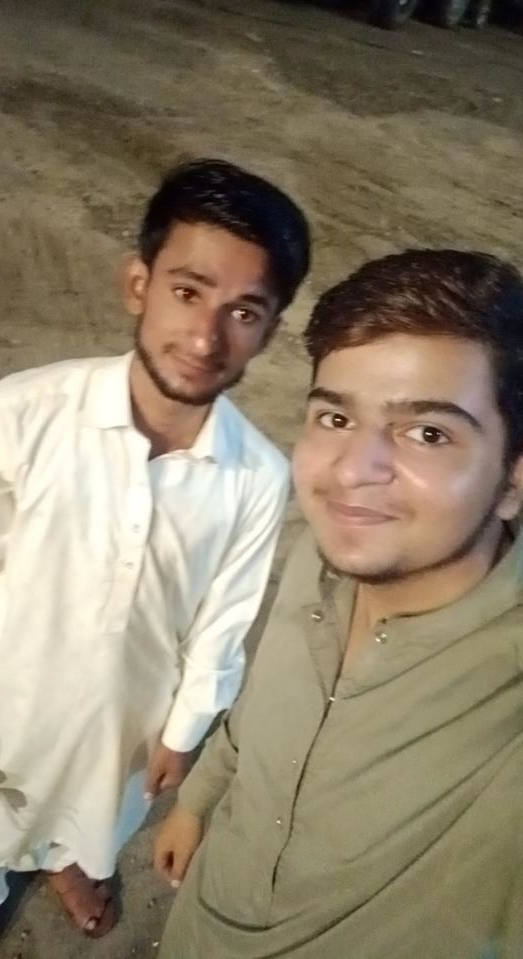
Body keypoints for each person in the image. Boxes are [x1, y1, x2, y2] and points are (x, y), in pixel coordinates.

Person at [0, 158, 311, 959]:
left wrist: (185, 728)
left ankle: (72, 861)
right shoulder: (20, 414)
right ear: (138, 285)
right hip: (8, 702)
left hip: (129, 721)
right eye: (187, 291)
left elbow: (224, 621)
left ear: (269, 329)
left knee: (103, 813)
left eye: (243, 311)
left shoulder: (258, 475)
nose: (206, 336)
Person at [155, 249, 523, 959]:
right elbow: (261, 707)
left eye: (429, 432)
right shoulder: (322, 560)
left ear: (512, 481)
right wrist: (198, 801)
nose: (352, 472)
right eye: (334, 417)